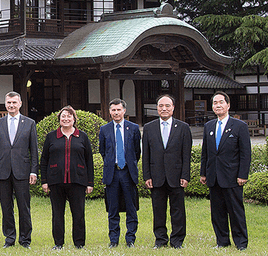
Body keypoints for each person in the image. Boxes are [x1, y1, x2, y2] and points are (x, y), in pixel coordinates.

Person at [200, 91, 251, 250]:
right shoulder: (209, 126)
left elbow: (245, 153)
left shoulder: (239, 126)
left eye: (221, 102)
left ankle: (241, 243)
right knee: (217, 213)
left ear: (228, 105)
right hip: (214, 176)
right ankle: (222, 241)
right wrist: (203, 173)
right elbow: (205, 153)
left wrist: (243, 174)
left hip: (232, 177)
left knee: (236, 212)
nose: (218, 105)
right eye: (215, 103)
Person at [40, 105, 94, 250]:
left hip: (78, 180)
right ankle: (58, 243)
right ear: (59, 119)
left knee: (78, 214)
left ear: (74, 119)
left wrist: (90, 183)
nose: (66, 119)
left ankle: (79, 243)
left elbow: (89, 159)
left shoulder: (82, 136)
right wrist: (44, 181)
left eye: (69, 116)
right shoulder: (51, 136)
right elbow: (44, 159)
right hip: (56, 181)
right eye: (63, 116)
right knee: (57, 214)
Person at [0, 91, 38, 249]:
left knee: (24, 207)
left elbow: (34, 150)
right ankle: (9, 238)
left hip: (22, 171)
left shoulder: (29, 123)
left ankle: (25, 239)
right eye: (9, 103)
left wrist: (33, 171)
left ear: (20, 104)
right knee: (6, 207)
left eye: (14, 103)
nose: (11, 105)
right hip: (3, 171)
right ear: (5, 104)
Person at [142, 95, 191, 249]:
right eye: (161, 106)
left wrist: (185, 175)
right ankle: (160, 240)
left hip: (176, 176)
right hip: (156, 176)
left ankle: (177, 240)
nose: (164, 109)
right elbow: (146, 155)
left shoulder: (183, 127)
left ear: (173, 108)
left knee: (178, 211)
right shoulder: (149, 128)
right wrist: (147, 175)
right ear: (157, 108)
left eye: (167, 106)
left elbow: (186, 155)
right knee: (158, 211)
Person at [99, 98, 141, 248]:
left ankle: (130, 238)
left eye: (118, 110)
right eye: (113, 110)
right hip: (112, 173)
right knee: (113, 208)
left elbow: (137, 152)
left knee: (131, 207)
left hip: (128, 173)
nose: (116, 113)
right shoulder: (104, 129)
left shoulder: (134, 128)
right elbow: (103, 151)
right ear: (109, 112)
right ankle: (114, 239)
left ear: (124, 111)